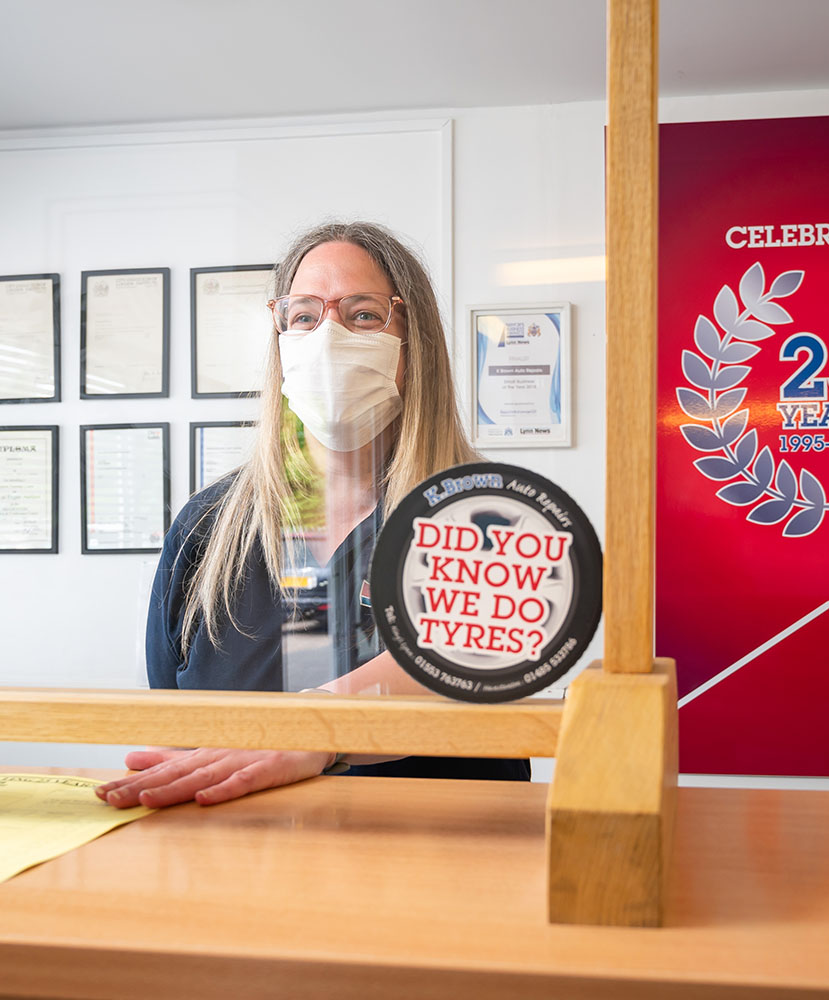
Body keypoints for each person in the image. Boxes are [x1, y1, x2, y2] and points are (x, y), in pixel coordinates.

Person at [97, 222, 530, 810]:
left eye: (363, 315)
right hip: (239, 872)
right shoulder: (209, 527)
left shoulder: (485, 516)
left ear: (413, 342)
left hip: (434, 872)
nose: (329, 337)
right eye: (303, 316)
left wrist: (316, 732)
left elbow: (461, 662)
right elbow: (177, 726)